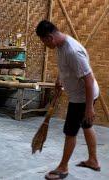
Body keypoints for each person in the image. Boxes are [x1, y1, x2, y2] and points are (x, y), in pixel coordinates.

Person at [36, 20, 101, 180]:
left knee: (70, 132)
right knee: (87, 126)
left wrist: (88, 108)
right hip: (82, 95)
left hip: (82, 97)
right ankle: (93, 161)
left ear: (50, 37)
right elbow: (66, 67)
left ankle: (63, 168)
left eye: (44, 41)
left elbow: (89, 79)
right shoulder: (60, 46)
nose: (45, 45)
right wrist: (60, 79)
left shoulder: (73, 50)